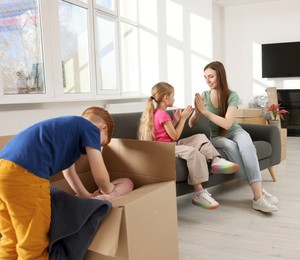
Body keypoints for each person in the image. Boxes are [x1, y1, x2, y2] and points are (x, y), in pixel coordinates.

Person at [0, 106, 134, 259]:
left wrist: (87, 196)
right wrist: (108, 189)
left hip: (3, 170)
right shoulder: (91, 129)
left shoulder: (68, 130)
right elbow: (101, 178)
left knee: (10, 239)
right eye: (101, 144)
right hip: (26, 175)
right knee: (33, 243)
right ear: (103, 129)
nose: (98, 148)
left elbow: (69, 173)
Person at [189, 61, 278, 213]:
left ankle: (258, 197)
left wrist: (205, 112)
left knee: (246, 144)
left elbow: (228, 124)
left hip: (235, 131)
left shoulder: (232, 95)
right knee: (230, 146)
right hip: (216, 137)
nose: (207, 81)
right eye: (205, 77)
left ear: (220, 76)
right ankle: (259, 194)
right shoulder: (204, 96)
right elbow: (191, 124)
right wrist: (197, 113)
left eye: (211, 76)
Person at [138, 82, 239, 210]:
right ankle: (198, 192)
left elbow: (164, 133)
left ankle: (216, 160)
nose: (174, 99)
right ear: (166, 98)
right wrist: (183, 119)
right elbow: (175, 136)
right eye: (173, 96)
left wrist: (174, 120)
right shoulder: (162, 114)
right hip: (166, 148)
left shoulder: (158, 112)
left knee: (200, 137)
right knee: (193, 153)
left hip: (169, 145)